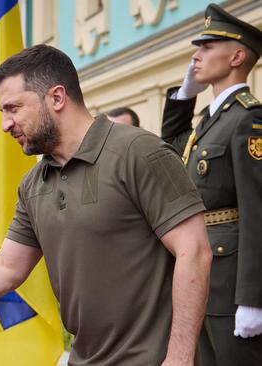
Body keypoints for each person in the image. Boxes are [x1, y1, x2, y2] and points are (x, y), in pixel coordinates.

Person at [0, 44, 212, 365]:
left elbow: (194, 252)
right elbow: (6, 268)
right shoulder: (34, 183)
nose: (5, 125)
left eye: (13, 108)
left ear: (56, 97)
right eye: (3, 113)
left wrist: (180, 358)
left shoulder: (139, 152)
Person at [160, 4, 262, 365]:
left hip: (230, 282)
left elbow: (258, 211)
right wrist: (185, 95)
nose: (196, 56)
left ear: (236, 56)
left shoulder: (249, 119)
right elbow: (171, 142)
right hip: (199, 274)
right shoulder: (209, 120)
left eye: (206, 47)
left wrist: (253, 298)